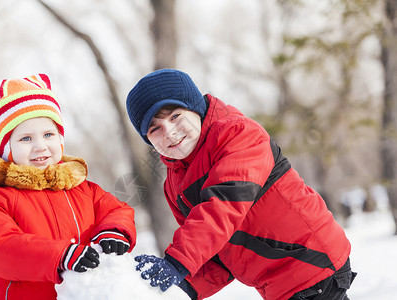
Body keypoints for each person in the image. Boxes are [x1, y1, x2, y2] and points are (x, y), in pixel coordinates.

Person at [126, 69, 356, 300]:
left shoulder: (237, 134)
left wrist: (177, 262)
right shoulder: (174, 185)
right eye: (155, 129)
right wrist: (182, 286)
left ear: (195, 108)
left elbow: (224, 205)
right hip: (279, 283)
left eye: (175, 116)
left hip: (311, 263)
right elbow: (215, 250)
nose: (169, 132)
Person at [0, 74, 136, 299]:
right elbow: (2, 247)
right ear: (5, 149)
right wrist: (60, 256)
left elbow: (117, 210)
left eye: (48, 134)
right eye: (26, 139)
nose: (40, 146)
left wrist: (114, 231)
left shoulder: (81, 188)